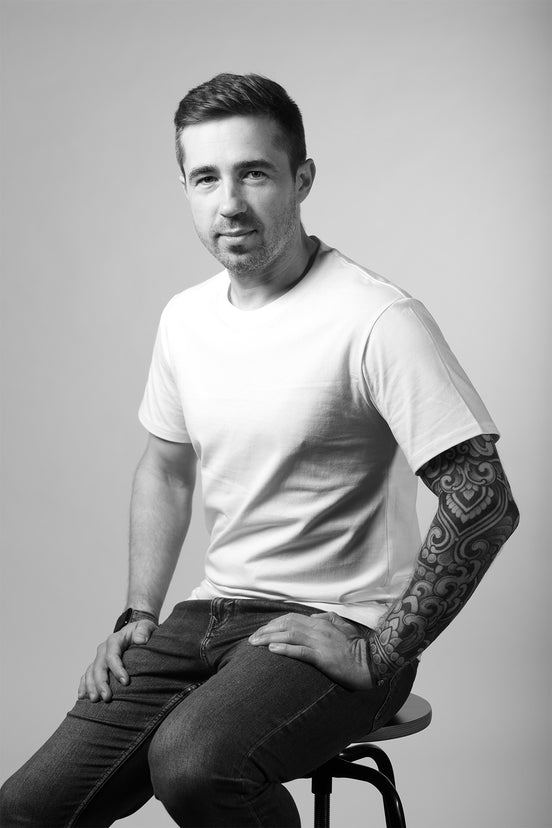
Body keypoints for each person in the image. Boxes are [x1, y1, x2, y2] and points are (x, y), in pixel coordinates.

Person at [0, 73, 519, 828]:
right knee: (25, 809)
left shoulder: (376, 318)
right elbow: (167, 470)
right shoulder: (185, 319)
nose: (230, 202)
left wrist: (383, 649)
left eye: (254, 172)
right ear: (184, 186)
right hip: (206, 616)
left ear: (301, 179)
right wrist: (137, 612)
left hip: (339, 624)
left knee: (194, 764)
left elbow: (485, 500)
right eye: (206, 177)